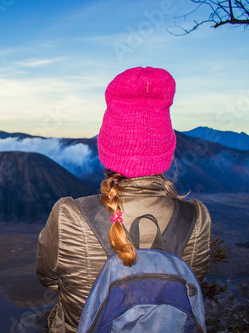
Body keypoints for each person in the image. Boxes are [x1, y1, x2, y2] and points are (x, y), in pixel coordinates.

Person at [36, 66, 212, 333]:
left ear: (106, 147)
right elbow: (193, 282)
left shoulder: (69, 214)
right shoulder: (196, 218)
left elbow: (48, 278)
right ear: (166, 150)